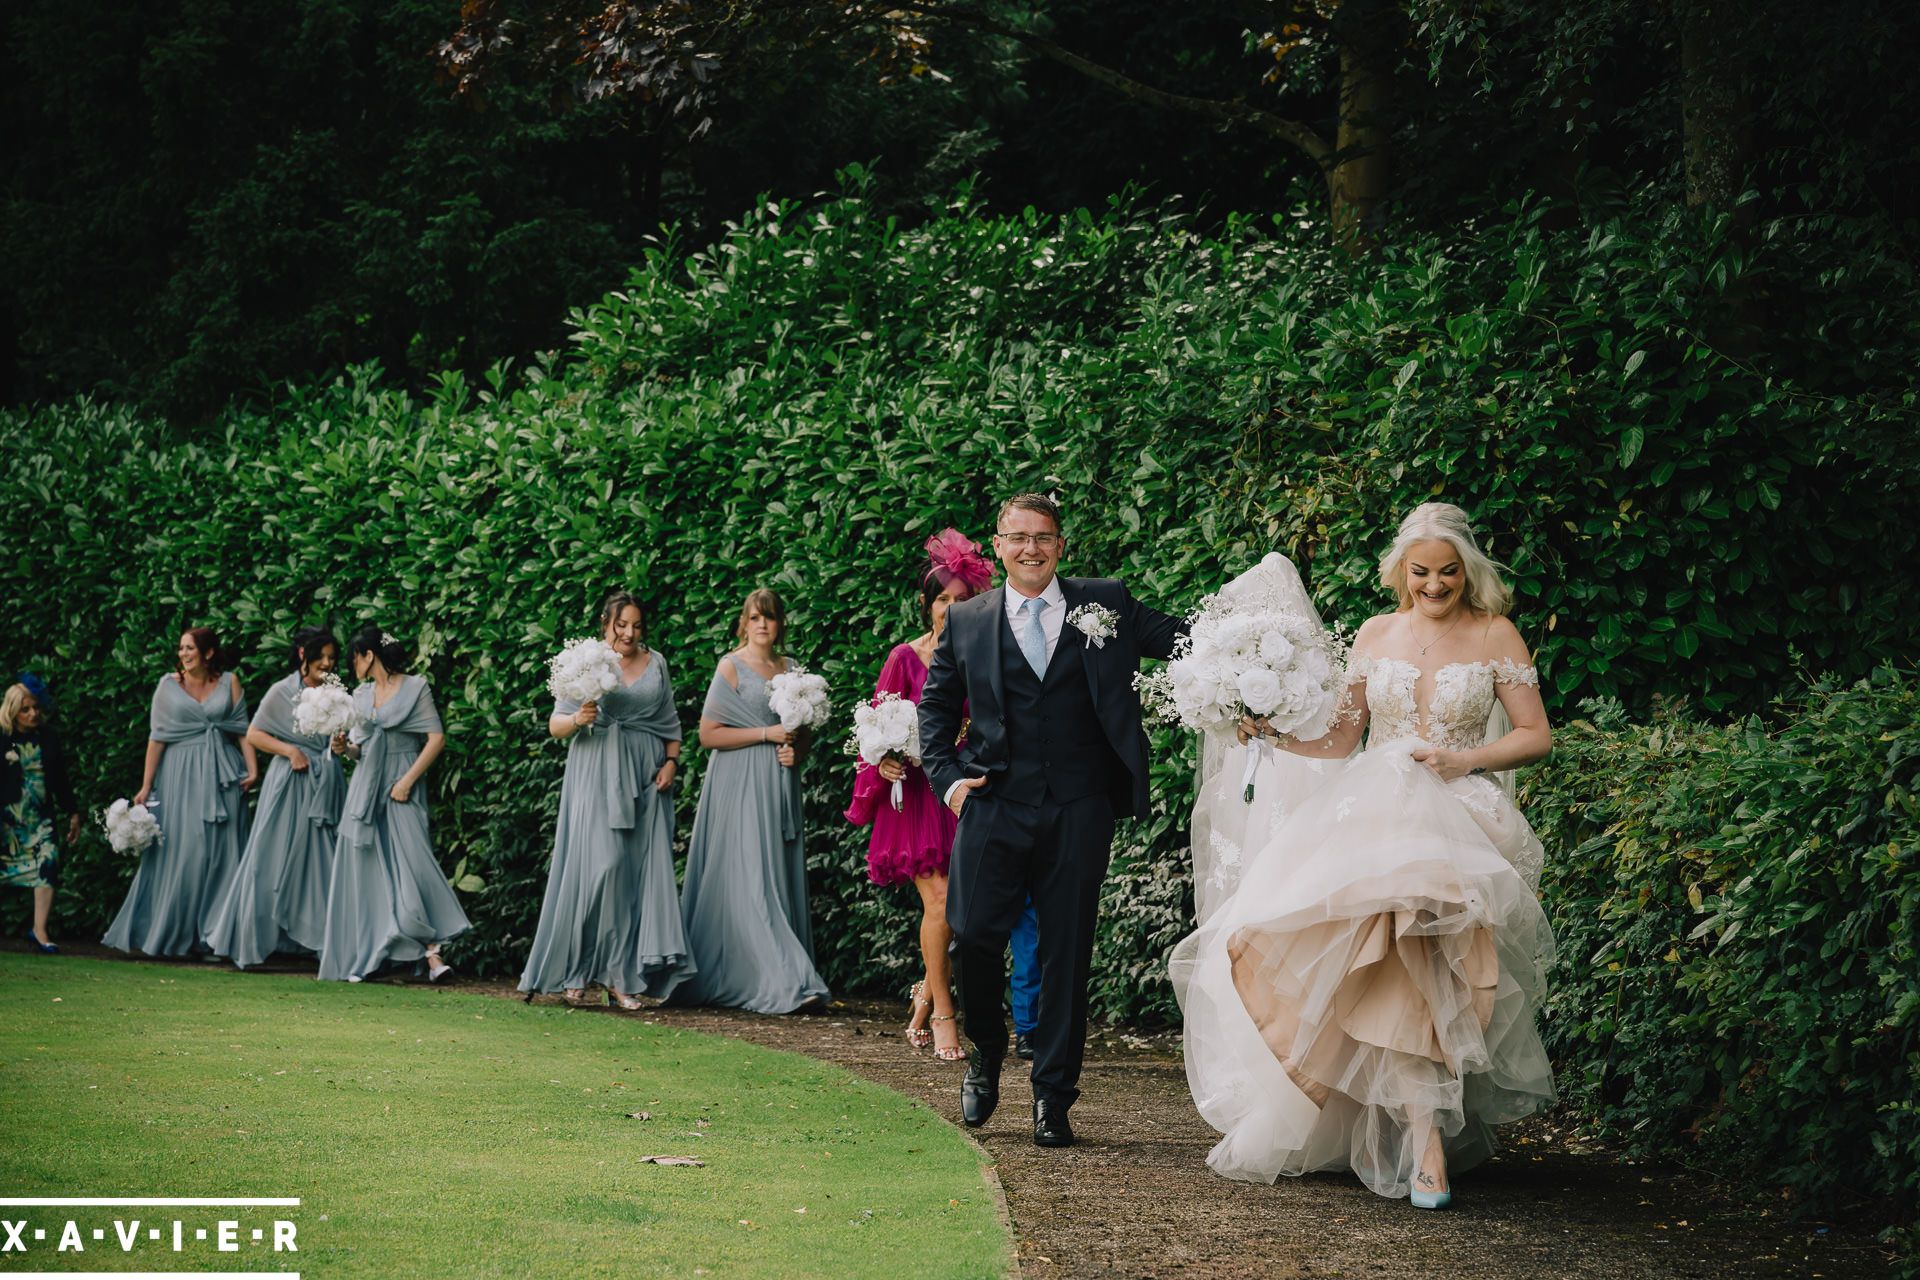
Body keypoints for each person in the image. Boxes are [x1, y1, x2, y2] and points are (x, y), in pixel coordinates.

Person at [1173, 503, 1557, 1209]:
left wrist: (1464, 758)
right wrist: (1270, 732)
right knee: (1388, 968)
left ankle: (1425, 1139)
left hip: (1458, 822)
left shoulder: (1495, 633)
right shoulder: (1377, 634)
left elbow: (1536, 735)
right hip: (1371, 815)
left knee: (1433, 971)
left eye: (1447, 573)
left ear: (1466, 571)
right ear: (1400, 572)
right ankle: (1424, 1145)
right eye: (1421, 573)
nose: (1434, 586)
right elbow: (1342, 738)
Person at [919, 492, 1187, 1148]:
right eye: (1019, 537)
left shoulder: (1107, 602)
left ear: (1060, 545)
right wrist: (950, 783)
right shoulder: (967, 622)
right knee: (973, 936)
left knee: (1067, 952)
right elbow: (934, 710)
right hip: (994, 803)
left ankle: (1052, 1097)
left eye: (1044, 537)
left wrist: (1254, 657)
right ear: (999, 544)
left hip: (1079, 806)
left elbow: (1185, 640)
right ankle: (985, 1052)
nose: (1032, 548)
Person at [845, 529, 994, 1062]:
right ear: (927, 605)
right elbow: (876, 729)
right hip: (915, 802)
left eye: (962, 600)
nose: (951, 609)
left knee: (965, 908)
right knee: (942, 902)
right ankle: (947, 1018)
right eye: (941, 599)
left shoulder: (988, 654)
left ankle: (923, 999)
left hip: (967, 792)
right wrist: (883, 761)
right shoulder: (903, 658)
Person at [520, 591, 694, 1007]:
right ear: (606, 622)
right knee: (599, 869)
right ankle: (575, 970)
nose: (629, 632)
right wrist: (578, 718)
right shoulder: (586, 660)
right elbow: (555, 725)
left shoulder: (657, 663)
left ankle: (621, 977)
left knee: (633, 878)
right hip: (596, 771)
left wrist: (671, 762)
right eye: (621, 624)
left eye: (636, 625)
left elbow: (669, 720)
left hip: (645, 777)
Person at [667, 588, 830, 1014]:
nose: (762, 624)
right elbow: (708, 735)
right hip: (736, 784)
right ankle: (787, 981)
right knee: (754, 878)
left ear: (779, 625)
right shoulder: (731, 667)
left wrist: (798, 749)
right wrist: (766, 734)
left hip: (779, 782)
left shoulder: (792, 670)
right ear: (745, 623)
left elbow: (800, 733)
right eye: (755, 617)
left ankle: (775, 974)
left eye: (770, 617)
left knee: (774, 873)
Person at [316, 625, 469, 982]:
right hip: (367, 787)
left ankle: (433, 955)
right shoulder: (360, 695)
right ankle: (374, 957)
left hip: (402, 785)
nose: (351, 663)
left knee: (413, 868)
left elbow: (436, 738)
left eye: (355, 656)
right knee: (370, 874)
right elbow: (359, 749)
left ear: (370, 656)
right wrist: (344, 749)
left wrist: (407, 782)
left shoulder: (416, 688)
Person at [104, 627, 258, 957]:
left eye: (190, 648)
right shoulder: (167, 686)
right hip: (179, 775)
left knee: (223, 853)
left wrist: (253, 769)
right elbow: (156, 737)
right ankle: (172, 934)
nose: (184, 654)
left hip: (223, 775)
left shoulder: (229, 681)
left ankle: (217, 938)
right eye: (181, 649)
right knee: (185, 854)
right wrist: (146, 785)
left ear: (208, 653)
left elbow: (243, 730)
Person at [204, 628, 345, 967]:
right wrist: (289, 750)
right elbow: (253, 734)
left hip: (325, 784)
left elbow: (342, 737)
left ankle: (320, 943)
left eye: (331, 656)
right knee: (271, 858)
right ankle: (255, 942)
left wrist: (339, 746)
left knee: (322, 861)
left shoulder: (336, 691)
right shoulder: (282, 691)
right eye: (321, 656)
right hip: (289, 784)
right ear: (302, 655)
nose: (327, 663)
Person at [2, 675, 79, 953]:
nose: (33, 713)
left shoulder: (48, 737)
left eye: (36, 707)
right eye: (26, 709)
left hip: (40, 816)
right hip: (7, 816)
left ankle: (40, 930)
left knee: (48, 862)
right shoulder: (2, 737)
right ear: (12, 711)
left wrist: (72, 812)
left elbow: (60, 778)